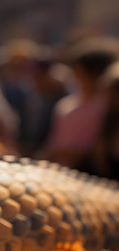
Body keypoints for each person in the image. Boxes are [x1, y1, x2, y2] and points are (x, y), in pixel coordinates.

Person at [38, 37, 119, 170]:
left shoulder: (107, 108)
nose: (76, 77)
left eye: (80, 72)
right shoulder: (65, 105)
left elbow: (100, 149)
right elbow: (52, 144)